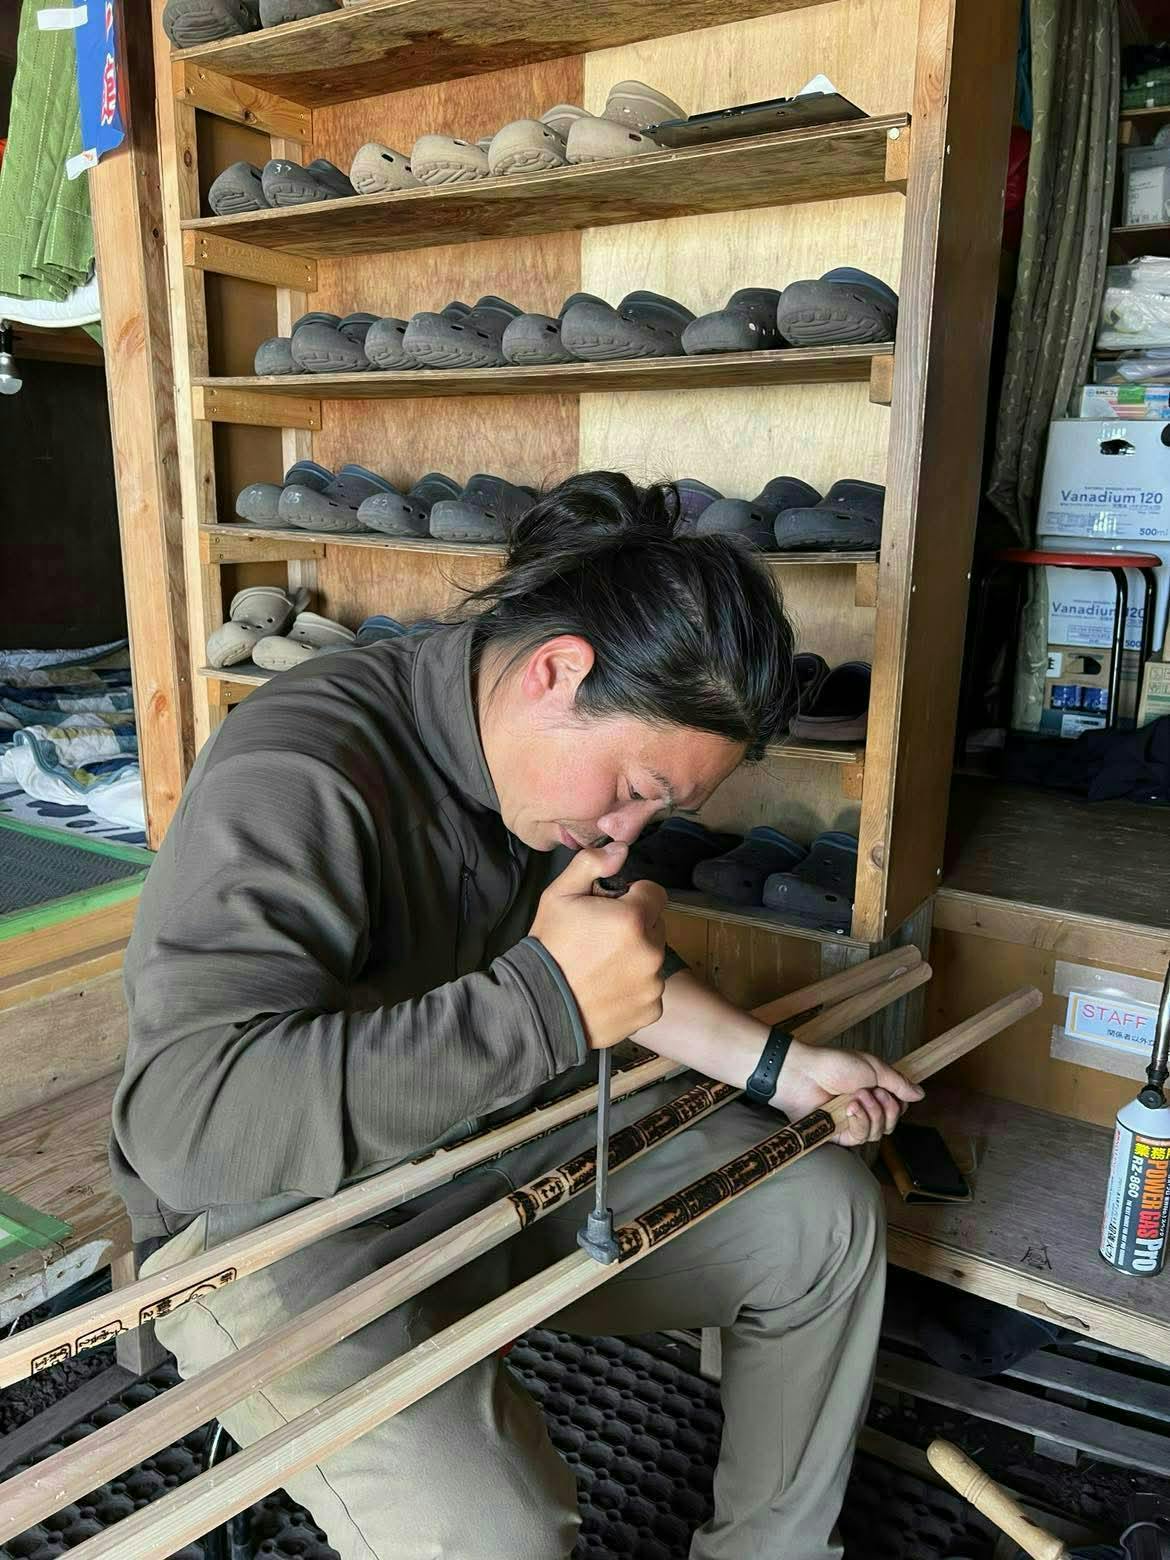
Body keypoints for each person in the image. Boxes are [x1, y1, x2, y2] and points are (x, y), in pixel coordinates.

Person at [112, 471, 921, 1560]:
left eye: (659, 811)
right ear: (556, 670)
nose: (625, 837)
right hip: (276, 1221)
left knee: (824, 1217)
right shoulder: (299, 767)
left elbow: (609, 969)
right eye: (634, 788)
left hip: (486, 1143)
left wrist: (785, 1069)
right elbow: (186, 1129)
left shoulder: (530, 771)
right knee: (497, 1532)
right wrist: (546, 1003)